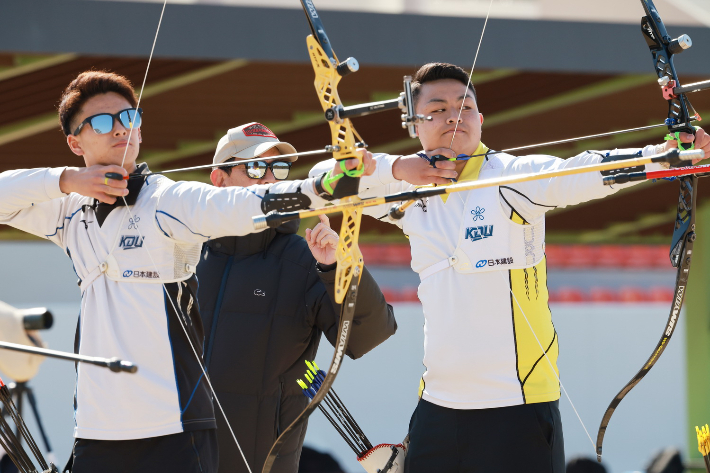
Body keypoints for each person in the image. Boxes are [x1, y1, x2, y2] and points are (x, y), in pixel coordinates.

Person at [310, 62, 710, 473]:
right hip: (438, 409)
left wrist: (665, 156)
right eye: (438, 107)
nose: (453, 115)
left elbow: (580, 170)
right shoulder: (406, 189)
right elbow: (321, 178)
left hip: (518, 409)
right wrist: (398, 168)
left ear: (480, 121)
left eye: (465, 107)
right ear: (414, 123)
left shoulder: (509, 179)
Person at [0, 70, 372, 473]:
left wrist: (321, 185)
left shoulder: (166, 199)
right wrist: (68, 180)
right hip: (95, 430)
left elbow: (237, 205)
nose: (121, 129)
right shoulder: (67, 210)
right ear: (75, 142)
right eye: (103, 122)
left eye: (129, 117)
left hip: (174, 431)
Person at [197, 123, 397, 473]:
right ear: (219, 179)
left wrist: (339, 266)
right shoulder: (182, 254)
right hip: (177, 454)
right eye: (256, 167)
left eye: (280, 168)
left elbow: (369, 336)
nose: (270, 178)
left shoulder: (306, 258)